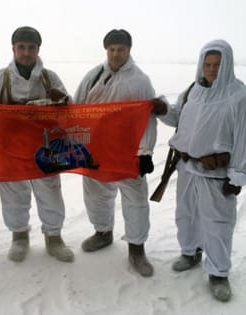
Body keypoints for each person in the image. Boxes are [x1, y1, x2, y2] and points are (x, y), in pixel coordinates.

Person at [156, 39, 246, 301]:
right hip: (186, 168)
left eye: (217, 65)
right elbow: (177, 118)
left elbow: (243, 137)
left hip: (216, 174)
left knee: (217, 223)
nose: (211, 69)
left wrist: (238, 175)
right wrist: (163, 110)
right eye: (207, 64)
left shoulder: (238, 96)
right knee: (186, 215)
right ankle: (190, 252)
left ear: (227, 65)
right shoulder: (193, 90)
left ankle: (218, 272)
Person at [74, 29, 166, 277]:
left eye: (121, 49)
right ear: (106, 50)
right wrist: (75, 142)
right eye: (112, 49)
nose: (115, 54)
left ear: (129, 50)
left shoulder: (139, 80)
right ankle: (103, 232)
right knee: (95, 194)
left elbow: (147, 118)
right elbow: (77, 108)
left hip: (127, 151)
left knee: (135, 200)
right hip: (95, 149)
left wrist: (145, 152)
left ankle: (137, 249)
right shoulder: (93, 76)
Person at [0, 26, 74, 263]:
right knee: (13, 194)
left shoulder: (50, 78)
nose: (26, 52)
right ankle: (19, 236)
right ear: (13, 49)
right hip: (10, 149)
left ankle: (54, 237)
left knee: (51, 193)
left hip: (46, 149)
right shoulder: (1, 78)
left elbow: (70, 113)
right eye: (21, 47)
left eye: (31, 47)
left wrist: (60, 102)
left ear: (38, 49)